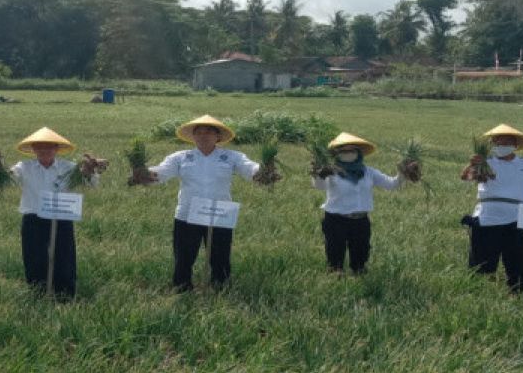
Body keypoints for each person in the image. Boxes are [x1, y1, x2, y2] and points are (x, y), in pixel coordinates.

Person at [137, 114, 276, 291]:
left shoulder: (231, 157)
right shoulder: (181, 157)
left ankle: (220, 288)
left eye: (209, 132)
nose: (203, 135)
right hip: (187, 215)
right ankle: (181, 288)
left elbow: (250, 168)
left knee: (220, 256)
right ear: (193, 136)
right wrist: (143, 173)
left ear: (218, 136)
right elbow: (162, 172)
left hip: (220, 214)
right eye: (199, 132)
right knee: (184, 256)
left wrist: (264, 170)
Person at [0, 127, 99, 299]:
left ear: (56, 149)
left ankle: (65, 296)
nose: (44, 151)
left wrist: (90, 171)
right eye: (39, 147)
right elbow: (4, 181)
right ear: (33, 149)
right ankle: (38, 295)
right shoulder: (24, 167)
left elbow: (91, 184)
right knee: (34, 258)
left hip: (62, 218)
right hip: (33, 219)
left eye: (49, 147)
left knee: (64, 257)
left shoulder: (69, 168)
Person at [310, 132, 417, 274]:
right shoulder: (331, 171)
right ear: (337, 153)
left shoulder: (368, 172)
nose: (348, 153)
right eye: (343, 150)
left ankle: (358, 275)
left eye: (352, 150)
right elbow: (319, 186)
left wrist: (404, 173)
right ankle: (336, 278)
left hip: (360, 220)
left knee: (360, 257)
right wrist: (317, 173)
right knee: (335, 255)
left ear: (358, 152)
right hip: (335, 220)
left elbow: (391, 184)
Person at [460, 123, 523, 292]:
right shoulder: (484, 163)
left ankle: (517, 293)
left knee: (518, 264)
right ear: (492, 145)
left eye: (507, 142)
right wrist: (472, 164)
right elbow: (465, 177)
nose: (502, 146)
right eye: (498, 142)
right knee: (481, 265)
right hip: (487, 218)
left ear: (515, 145)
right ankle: (481, 293)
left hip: (518, 219)